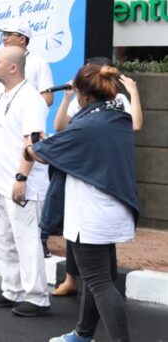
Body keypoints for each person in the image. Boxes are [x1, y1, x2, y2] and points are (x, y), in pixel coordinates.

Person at [26, 63, 139, 342]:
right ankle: (82, 335)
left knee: (99, 281)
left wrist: (31, 148)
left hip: (92, 212)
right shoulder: (116, 116)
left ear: (82, 94)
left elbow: (40, 153)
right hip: (112, 207)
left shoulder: (88, 125)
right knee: (99, 276)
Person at [0, 46, 51, 317]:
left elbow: (33, 143)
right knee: (4, 239)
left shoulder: (31, 100)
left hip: (21, 184)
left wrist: (21, 177)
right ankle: (12, 290)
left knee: (27, 240)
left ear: (13, 67)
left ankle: (37, 297)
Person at [51, 60, 142, 299]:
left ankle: (104, 297)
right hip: (86, 176)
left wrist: (133, 92)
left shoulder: (118, 103)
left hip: (106, 177)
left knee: (99, 264)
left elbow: (136, 124)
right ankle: (83, 326)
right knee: (80, 239)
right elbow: (60, 126)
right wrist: (67, 98)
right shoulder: (83, 102)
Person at [0, 21, 55, 106]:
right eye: (4, 34)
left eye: (9, 34)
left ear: (22, 39)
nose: (4, 38)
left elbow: (48, 98)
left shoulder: (38, 62)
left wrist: (23, 111)